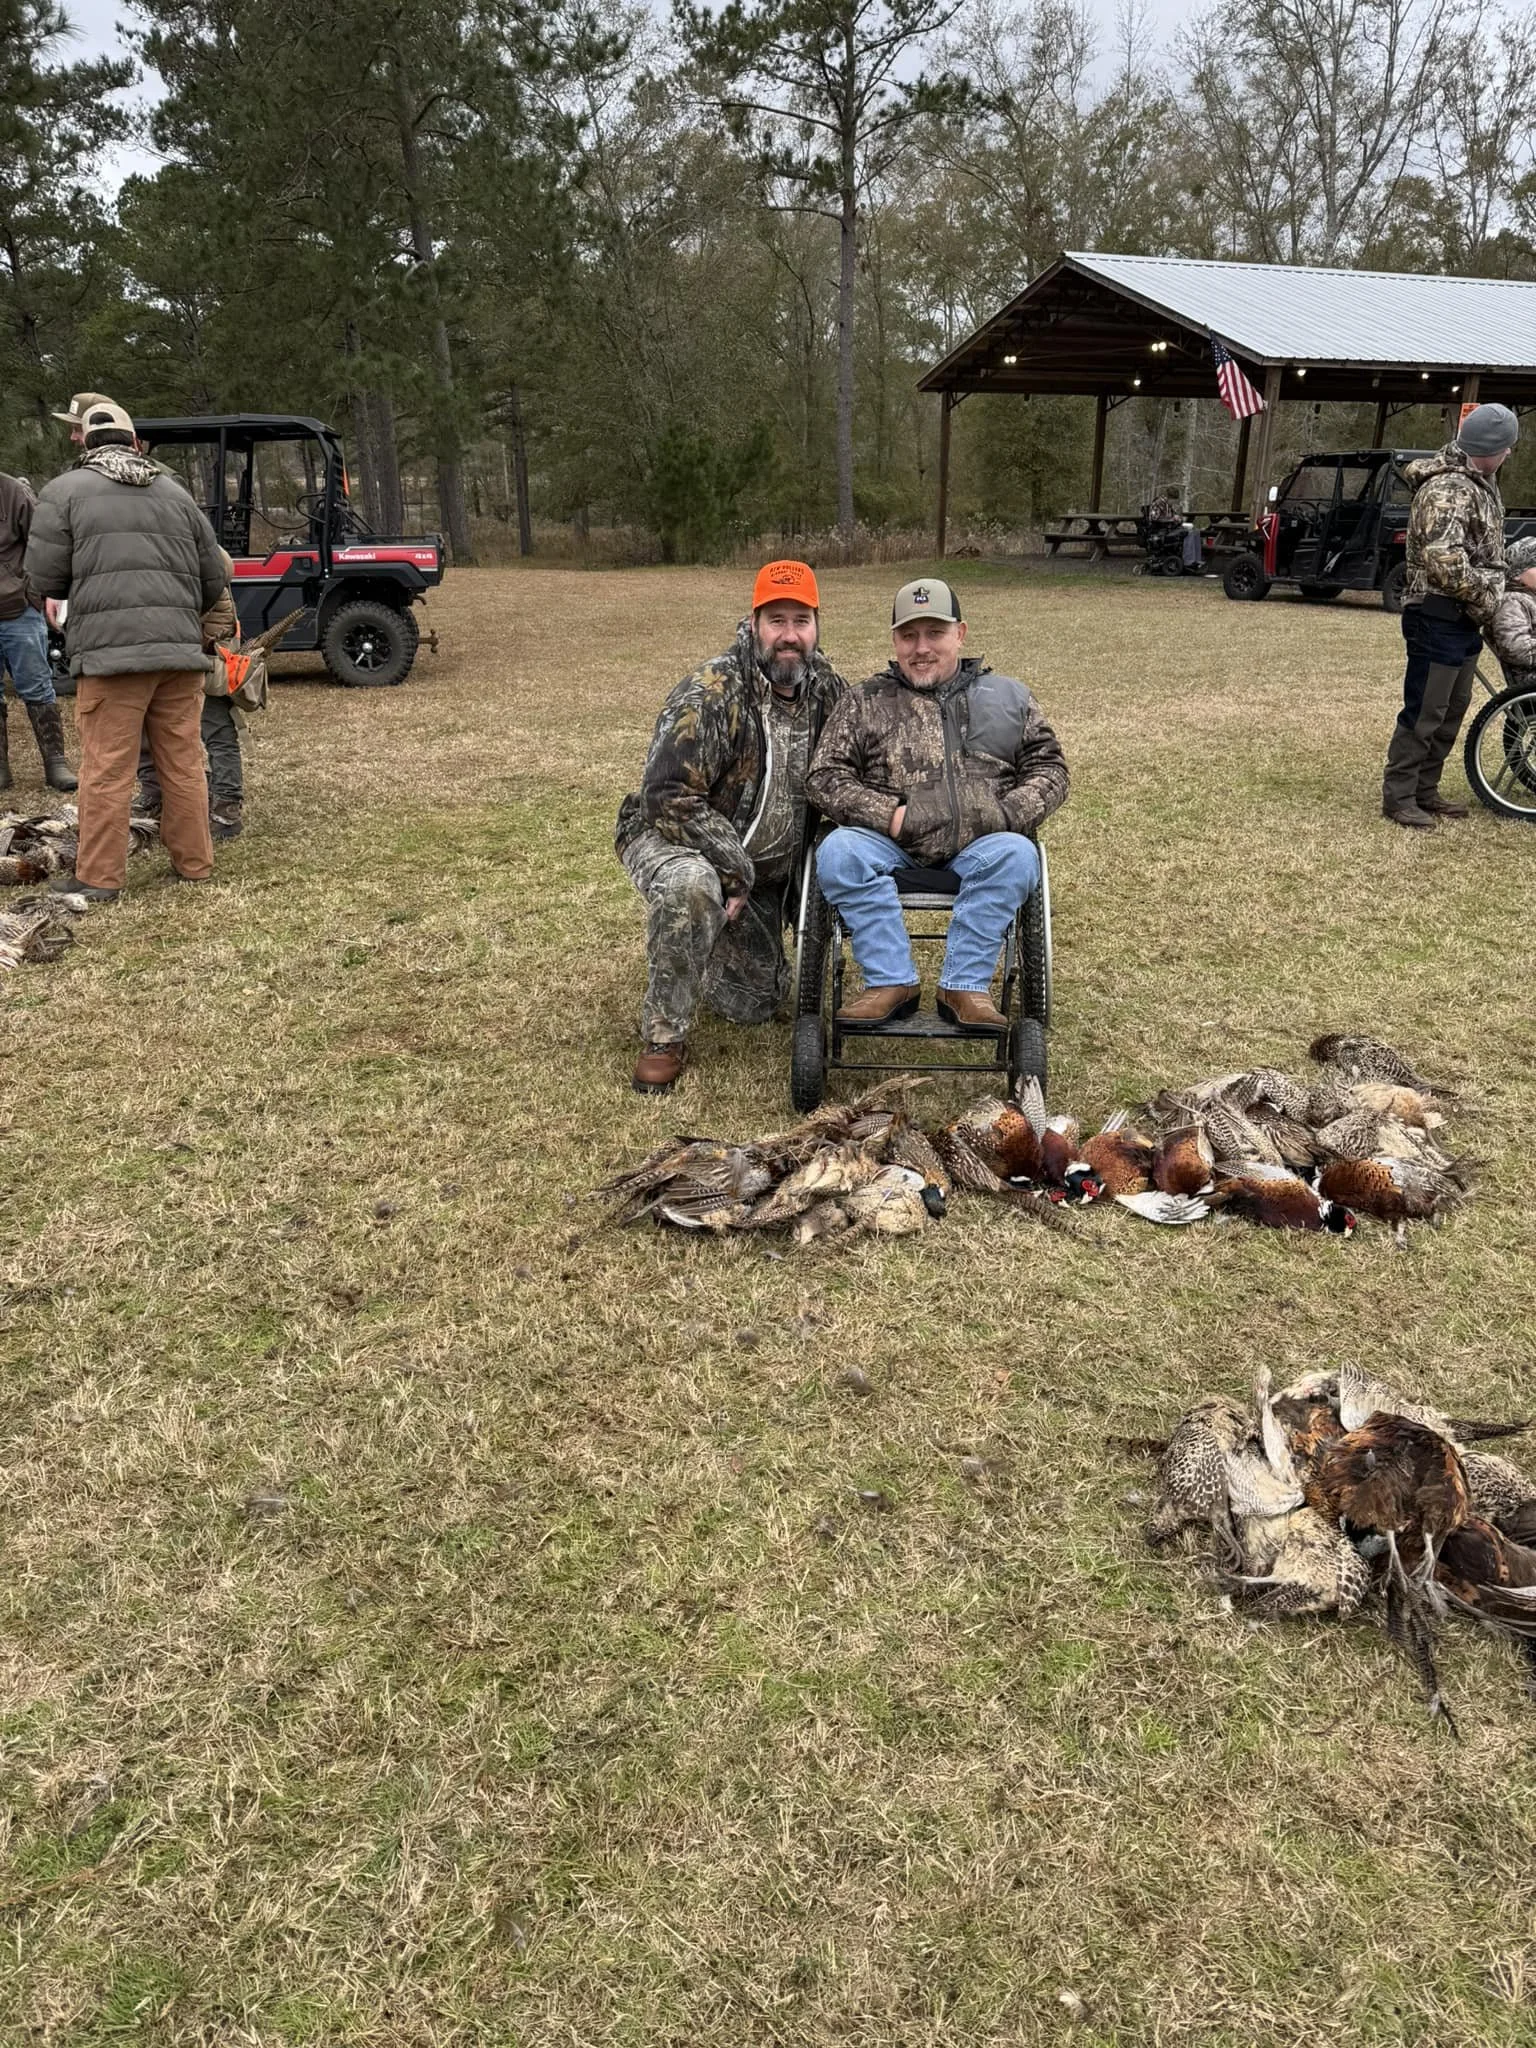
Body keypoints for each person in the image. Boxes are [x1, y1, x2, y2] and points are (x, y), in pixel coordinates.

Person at [616, 559, 846, 1093]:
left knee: (755, 1004)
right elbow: (665, 796)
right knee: (691, 886)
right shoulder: (712, 692)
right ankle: (664, 1036)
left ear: (817, 625)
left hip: (763, 868)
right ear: (754, 622)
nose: (789, 636)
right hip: (674, 838)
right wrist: (733, 869)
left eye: (801, 621)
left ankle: (715, 942)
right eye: (776, 621)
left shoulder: (828, 691)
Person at [805, 577, 1067, 1030]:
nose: (921, 648)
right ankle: (890, 981)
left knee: (1018, 855)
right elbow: (824, 777)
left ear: (960, 634)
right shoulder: (864, 700)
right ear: (895, 641)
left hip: (982, 845)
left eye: (935, 633)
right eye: (909, 635)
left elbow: (1051, 770)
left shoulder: (1010, 697)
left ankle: (964, 986)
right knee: (838, 852)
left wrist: (1006, 814)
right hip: (891, 844)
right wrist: (889, 815)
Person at [24, 398, 225, 901]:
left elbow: (44, 580)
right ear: (135, 442)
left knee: (107, 770)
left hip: (110, 659)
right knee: (183, 763)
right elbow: (214, 576)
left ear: (85, 442)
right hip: (179, 656)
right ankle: (195, 864)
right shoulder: (176, 493)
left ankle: (99, 878)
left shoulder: (63, 491)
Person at [1382, 401, 1535, 829]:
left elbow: (1482, 553)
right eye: (1506, 447)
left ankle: (1425, 790)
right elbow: (1444, 562)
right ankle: (1399, 796)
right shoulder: (1448, 491)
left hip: (1462, 616)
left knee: (1451, 710)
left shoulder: (1479, 483)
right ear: (1490, 449)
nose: (1509, 453)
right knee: (1425, 710)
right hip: (1438, 615)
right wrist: (1489, 592)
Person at [135, 550, 250, 840]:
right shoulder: (190, 559)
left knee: (217, 732)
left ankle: (226, 808)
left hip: (203, 661)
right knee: (150, 729)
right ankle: (157, 792)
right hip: (183, 658)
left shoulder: (201, 563)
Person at [0, 467, 78, 792]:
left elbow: (44, 544)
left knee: (36, 685)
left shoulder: (12, 492)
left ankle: (55, 763)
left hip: (18, 608)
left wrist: (41, 593)